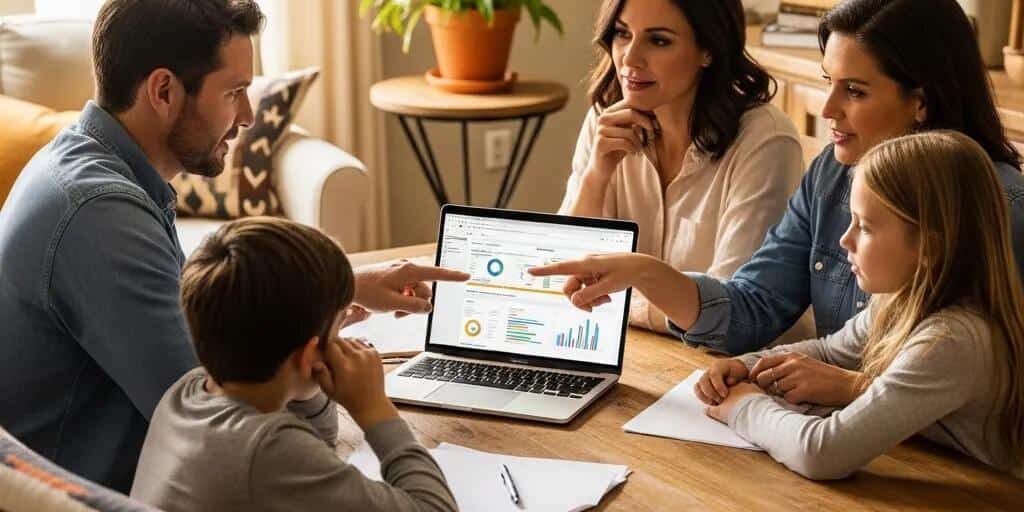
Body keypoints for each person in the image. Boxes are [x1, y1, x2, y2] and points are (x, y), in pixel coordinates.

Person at [0, 0, 467, 492]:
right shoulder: (99, 212)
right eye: (236, 92)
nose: (247, 115)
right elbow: (235, 415)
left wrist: (340, 288)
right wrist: (357, 394)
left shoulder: (89, 168)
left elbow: (195, 319)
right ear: (163, 91)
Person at [529, 0, 1024, 407]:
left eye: (854, 90)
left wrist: (859, 388)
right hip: (845, 435)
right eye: (828, 82)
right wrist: (644, 271)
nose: (827, 110)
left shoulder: (998, 204)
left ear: (922, 101)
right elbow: (752, 310)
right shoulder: (832, 174)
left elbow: (993, 394)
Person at [696, 131, 1024, 479]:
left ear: (929, 248)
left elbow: (822, 453)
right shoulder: (902, 297)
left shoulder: (952, 339)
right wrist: (747, 367)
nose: (844, 239)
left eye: (864, 227)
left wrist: (742, 406)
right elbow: (828, 352)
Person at [130, 217, 458, 511]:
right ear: (306, 355)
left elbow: (319, 453)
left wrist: (310, 366)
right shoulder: (268, 452)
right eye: (336, 328)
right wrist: (376, 410)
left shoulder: (186, 392)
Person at [559, 0, 803, 334]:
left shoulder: (765, 141)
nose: (630, 58)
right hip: (633, 350)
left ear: (709, 50)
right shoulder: (606, 121)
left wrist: (609, 299)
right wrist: (597, 175)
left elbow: (727, 312)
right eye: (621, 34)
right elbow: (562, 279)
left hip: (732, 368)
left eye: (658, 40)